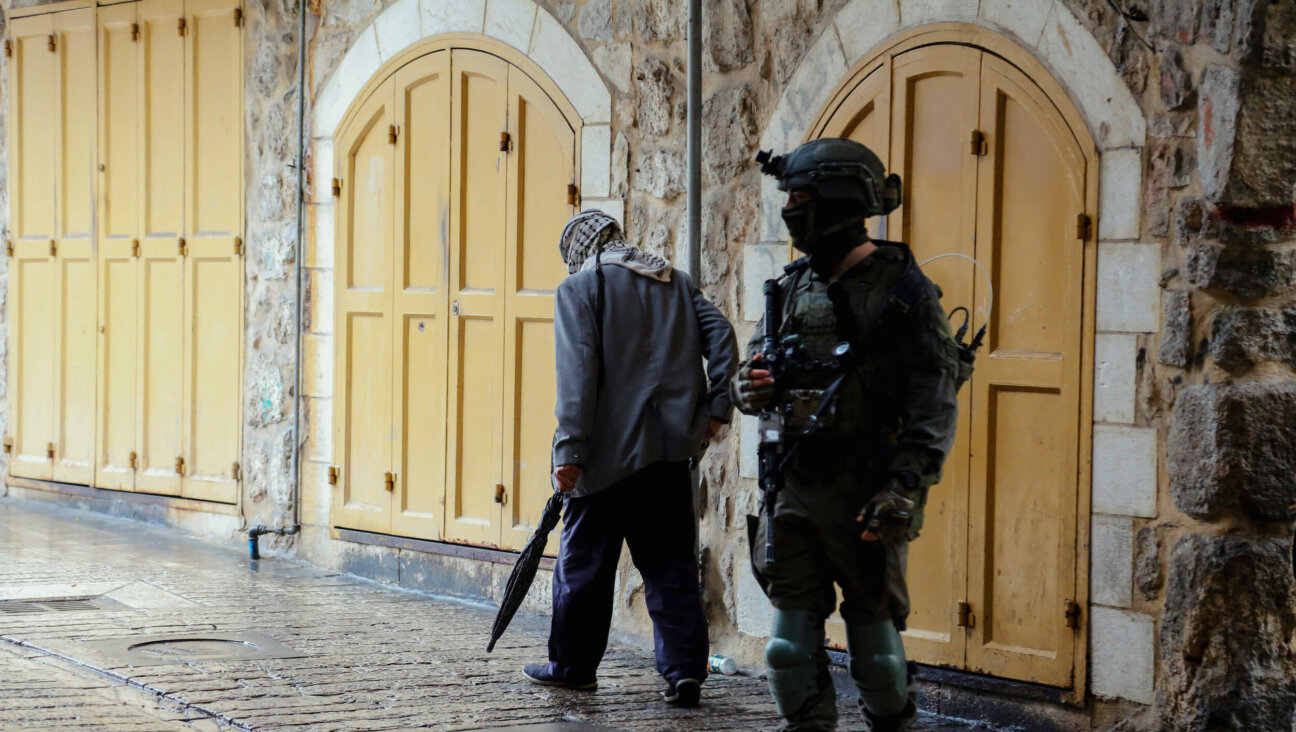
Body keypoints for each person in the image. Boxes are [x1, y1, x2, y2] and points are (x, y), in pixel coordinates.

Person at [732, 139, 960, 732]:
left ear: (838, 199)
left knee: (877, 659)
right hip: (797, 489)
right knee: (786, 651)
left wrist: (906, 483)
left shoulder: (904, 291)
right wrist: (748, 387)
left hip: (869, 491)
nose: (792, 211)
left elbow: (933, 398)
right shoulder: (788, 289)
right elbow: (751, 368)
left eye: (801, 198)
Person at [522, 210, 738, 708]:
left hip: (602, 461)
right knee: (671, 569)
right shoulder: (675, 281)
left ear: (578, 253)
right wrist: (717, 408)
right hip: (666, 459)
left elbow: (576, 376)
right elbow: (722, 335)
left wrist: (569, 451)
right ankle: (685, 672)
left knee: (582, 570)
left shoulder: (580, 289)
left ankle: (572, 667)